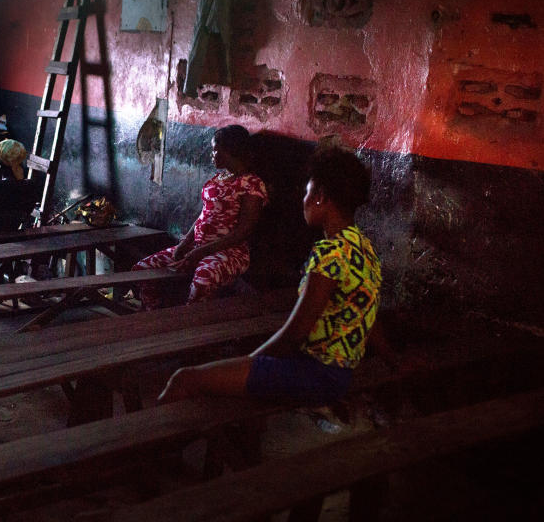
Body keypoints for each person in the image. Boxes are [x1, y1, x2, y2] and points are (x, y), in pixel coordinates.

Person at [157, 145, 381, 406]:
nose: (303, 200)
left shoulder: (331, 254)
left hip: (316, 374)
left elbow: (295, 334)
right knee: (233, 396)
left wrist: (252, 361)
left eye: (307, 193)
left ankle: (146, 444)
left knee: (184, 379)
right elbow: (365, 312)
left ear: (320, 196)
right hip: (338, 373)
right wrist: (391, 358)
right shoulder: (364, 248)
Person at [133, 125, 268, 308]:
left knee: (203, 281)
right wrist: (185, 243)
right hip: (197, 247)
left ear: (229, 151)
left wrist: (200, 252)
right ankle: (153, 314)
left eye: (215, 150)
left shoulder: (252, 184)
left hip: (229, 253)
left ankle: (191, 324)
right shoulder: (218, 178)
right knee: (142, 269)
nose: (211, 155)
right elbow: (203, 215)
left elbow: (244, 231)